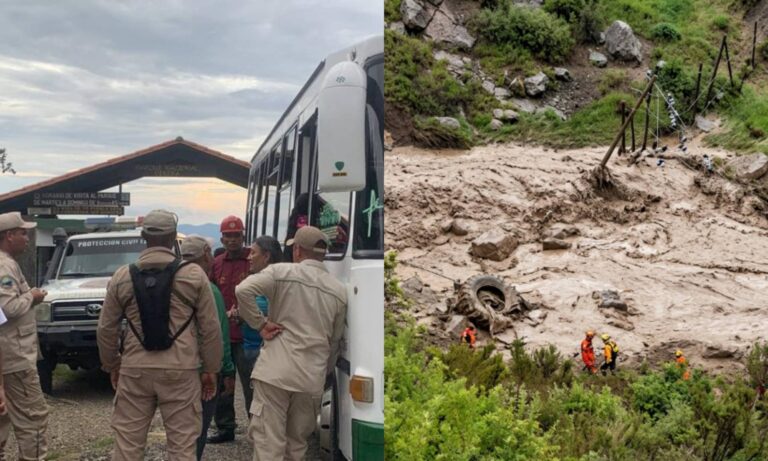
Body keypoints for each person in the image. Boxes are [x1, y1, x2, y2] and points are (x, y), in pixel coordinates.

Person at [97, 209, 222, 460]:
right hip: (181, 368)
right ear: (174, 236)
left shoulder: (122, 276)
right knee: (182, 444)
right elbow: (210, 328)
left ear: (143, 236)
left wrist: (112, 364)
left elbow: (106, 328)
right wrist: (211, 369)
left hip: (135, 369)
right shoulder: (193, 275)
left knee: (128, 443)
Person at [236, 226, 347, 461]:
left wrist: (261, 324)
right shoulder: (338, 291)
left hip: (275, 373)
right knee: (296, 447)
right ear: (323, 254)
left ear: (297, 250)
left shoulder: (280, 272)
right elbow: (335, 341)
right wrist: (322, 374)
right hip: (310, 378)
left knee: (268, 445)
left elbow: (243, 290)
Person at [180, 235, 236, 461]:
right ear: (205, 253)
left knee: (181, 429)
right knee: (198, 428)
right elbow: (219, 334)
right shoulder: (209, 289)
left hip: (178, 365)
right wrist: (227, 370)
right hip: (205, 370)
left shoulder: (173, 283)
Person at [0, 212, 49, 460]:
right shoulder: (5, 266)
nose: (27, 238)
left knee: (4, 416)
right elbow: (8, 309)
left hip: (7, 356)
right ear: (9, 236)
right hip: (15, 357)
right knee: (34, 418)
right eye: (22, 233)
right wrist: (33, 296)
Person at [208, 215, 252, 444]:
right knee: (223, 383)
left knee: (251, 384)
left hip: (247, 336)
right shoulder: (216, 264)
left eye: (236, 235)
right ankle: (225, 428)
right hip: (224, 335)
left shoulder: (252, 261)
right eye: (228, 236)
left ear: (242, 236)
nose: (232, 240)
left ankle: (257, 428)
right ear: (222, 238)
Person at [241, 236, 283, 414]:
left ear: (266, 256)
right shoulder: (259, 279)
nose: (249, 257)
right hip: (252, 345)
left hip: (267, 346)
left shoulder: (275, 280)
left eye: (253, 252)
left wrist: (261, 324)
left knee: (265, 402)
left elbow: (242, 291)